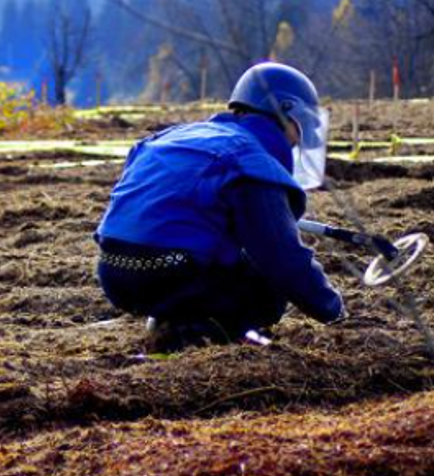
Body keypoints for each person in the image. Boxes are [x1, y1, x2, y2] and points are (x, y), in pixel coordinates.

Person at [94, 60, 344, 345]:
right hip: (169, 273)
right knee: (267, 286)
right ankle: (200, 335)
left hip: (113, 274)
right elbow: (284, 260)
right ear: (286, 114)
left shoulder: (172, 137)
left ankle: (169, 320)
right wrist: (336, 314)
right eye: (300, 130)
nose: (299, 142)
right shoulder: (251, 162)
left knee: (224, 253)